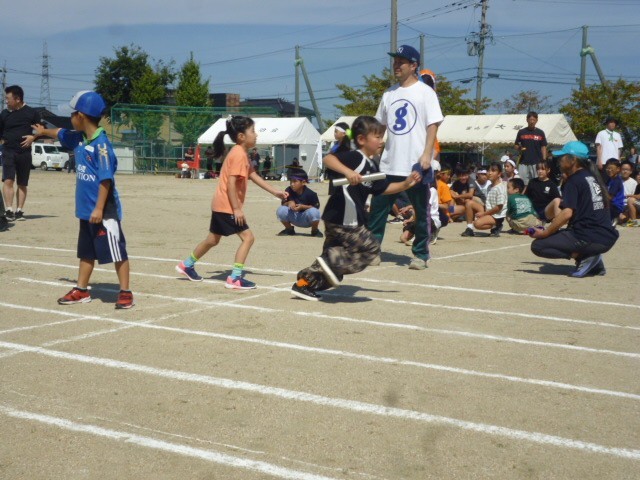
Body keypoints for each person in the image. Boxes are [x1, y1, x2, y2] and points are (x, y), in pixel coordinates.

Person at [290, 116, 421, 301]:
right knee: (371, 249)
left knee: (333, 273)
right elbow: (328, 159)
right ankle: (330, 259)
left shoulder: (372, 166)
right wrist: (348, 172)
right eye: (377, 137)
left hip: (337, 219)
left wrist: (405, 184)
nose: (381, 141)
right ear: (361, 139)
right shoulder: (356, 157)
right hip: (344, 218)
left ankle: (303, 284)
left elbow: (383, 189)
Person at [32, 90, 134, 308]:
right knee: (86, 252)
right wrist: (42, 132)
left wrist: (99, 208)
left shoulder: (102, 145)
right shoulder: (78, 138)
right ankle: (81, 289)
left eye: (73, 113)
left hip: (103, 211)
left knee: (117, 251)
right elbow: (59, 132)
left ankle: (125, 292)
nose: (70, 117)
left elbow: (105, 180)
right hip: (86, 211)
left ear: (81, 116)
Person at [175, 116, 287, 289]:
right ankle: (234, 278)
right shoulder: (238, 154)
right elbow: (231, 183)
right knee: (248, 238)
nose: (256, 135)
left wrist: (275, 192)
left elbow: (252, 174)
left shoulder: (240, 153)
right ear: (241, 136)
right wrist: (236, 209)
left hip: (220, 205)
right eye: (252, 131)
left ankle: (186, 265)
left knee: (212, 240)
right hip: (227, 206)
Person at [368, 45, 443, 270]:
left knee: (421, 211)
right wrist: (373, 148)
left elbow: (433, 125)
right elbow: (380, 126)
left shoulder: (425, 92)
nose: (396, 65)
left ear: (413, 66)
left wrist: (427, 154)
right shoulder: (389, 94)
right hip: (389, 162)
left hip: (415, 163)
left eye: (401, 62)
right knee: (378, 209)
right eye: (395, 61)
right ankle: (372, 250)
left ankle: (420, 254)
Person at [529, 141, 618, 277]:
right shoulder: (592, 177)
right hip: (605, 236)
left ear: (573, 160)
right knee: (560, 234)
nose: (559, 160)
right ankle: (594, 262)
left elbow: (567, 213)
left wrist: (545, 233)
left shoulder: (574, 180)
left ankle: (586, 257)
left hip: (587, 236)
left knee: (538, 246)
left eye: (562, 157)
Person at [0, 85, 45, 222]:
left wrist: (33, 137)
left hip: (24, 153)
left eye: (8, 98)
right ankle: (9, 210)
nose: (6, 101)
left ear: (17, 99)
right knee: (8, 180)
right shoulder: (4, 114)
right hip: (8, 150)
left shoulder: (32, 113)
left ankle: (19, 211)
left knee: (22, 183)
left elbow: (42, 130)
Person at [461, 162, 507, 237]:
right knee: (469, 203)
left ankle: (496, 225)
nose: (490, 173)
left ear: (499, 174)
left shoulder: (500, 188)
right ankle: (469, 228)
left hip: (496, 216)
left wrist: (483, 214)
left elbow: (499, 207)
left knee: (477, 224)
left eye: (493, 171)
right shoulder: (490, 186)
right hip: (488, 210)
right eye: (488, 171)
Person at [276, 169, 322, 237]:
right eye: (291, 181)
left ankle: (314, 231)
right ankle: (289, 229)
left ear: (303, 182)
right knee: (281, 210)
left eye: (295, 181)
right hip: (294, 217)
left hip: (306, 219)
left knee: (314, 212)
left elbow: (316, 208)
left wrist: (303, 207)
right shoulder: (288, 190)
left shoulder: (311, 194)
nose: (292, 184)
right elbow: (283, 204)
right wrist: (289, 203)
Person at [514, 111, 547, 186]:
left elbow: (543, 146)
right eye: (530, 119)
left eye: (533, 120)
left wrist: (544, 160)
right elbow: (515, 145)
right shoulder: (521, 132)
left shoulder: (540, 132)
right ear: (527, 120)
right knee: (522, 183)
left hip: (536, 162)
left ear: (536, 120)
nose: (532, 122)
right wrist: (519, 148)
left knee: (537, 183)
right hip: (523, 162)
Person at [604, 158, 625, 224]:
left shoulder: (616, 181)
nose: (609, 170)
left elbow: (610, 197)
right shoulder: (609, 179)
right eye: (607, 168)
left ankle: (615, 218)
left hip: (615, 206)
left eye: (611, 168)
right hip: (611, 205)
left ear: (618, 169)